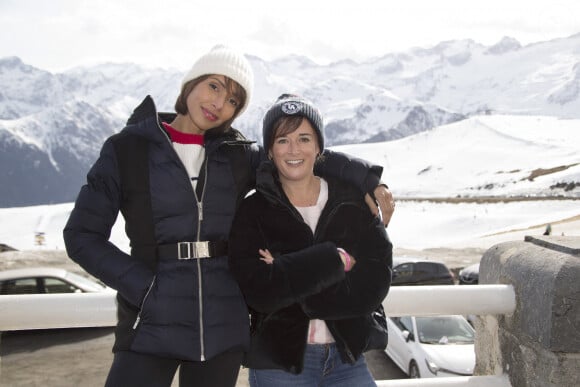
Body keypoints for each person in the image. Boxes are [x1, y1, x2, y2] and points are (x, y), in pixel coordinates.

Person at [63, 46, 394, 387]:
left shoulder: (237, 155)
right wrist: (143, 288)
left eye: (234, 100)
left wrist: (367, 178)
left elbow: (295, 155)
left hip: (223, 323)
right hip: (151, 319)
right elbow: (81, 236)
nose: (219, 103)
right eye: (214, 86)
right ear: (191, 83)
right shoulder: (127, 149)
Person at [228, 94, 393, 386]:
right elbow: (260, 293)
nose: (294, 149)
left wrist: (287, 271)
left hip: (347, 359)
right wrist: (336, 262)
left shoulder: (352, 202)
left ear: (318, 147)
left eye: (304, 139)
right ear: (269, 151)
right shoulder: (254, 210)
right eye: (282, 140)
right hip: (279, 363)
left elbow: (374, 283)